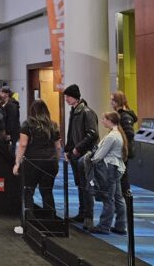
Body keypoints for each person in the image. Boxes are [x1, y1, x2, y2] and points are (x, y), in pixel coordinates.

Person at [14, 100, 61, 216]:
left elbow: (23, 144)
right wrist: (56, 161)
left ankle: (27, 222)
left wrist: (17, 162)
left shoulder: (27, 124)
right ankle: (51, 221)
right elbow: (58, 147)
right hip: (50, 162)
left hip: (33, 162)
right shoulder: (53, 125)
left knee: (28, 191)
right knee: (47, 191)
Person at [63, 84, 99, 224]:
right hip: (75, 154)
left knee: (86, 186)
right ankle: (82, 212)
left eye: (68, 96)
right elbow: (71, 133)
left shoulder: (86, 112)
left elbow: (92, 134)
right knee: (80, 184)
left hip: (84, 155)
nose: (66, 99)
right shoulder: (74, 112)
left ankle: (88, 216)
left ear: (75, 97)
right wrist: (68, 150)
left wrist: (78, 148)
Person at [88, 111, 128, 235]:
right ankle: (121, 225)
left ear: (110, 120)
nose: (102, 121)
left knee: (108, 197)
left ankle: (104, 225)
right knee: (118, 197)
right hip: (116, 167)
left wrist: (91, 160)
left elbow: (100, 154)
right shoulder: (118, 134)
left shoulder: (112, 136)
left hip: (110, 168)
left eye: (104, 119)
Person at [111, 91, 138, 192]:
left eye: (112, 100)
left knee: (123, 176)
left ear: (117, 101)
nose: (111, 102)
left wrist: (119, 143)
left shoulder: (124, 116)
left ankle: (125, 198)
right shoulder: (120, 115)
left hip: (123, 150)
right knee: (121, 175)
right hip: (122, 149)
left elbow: (129, 134)